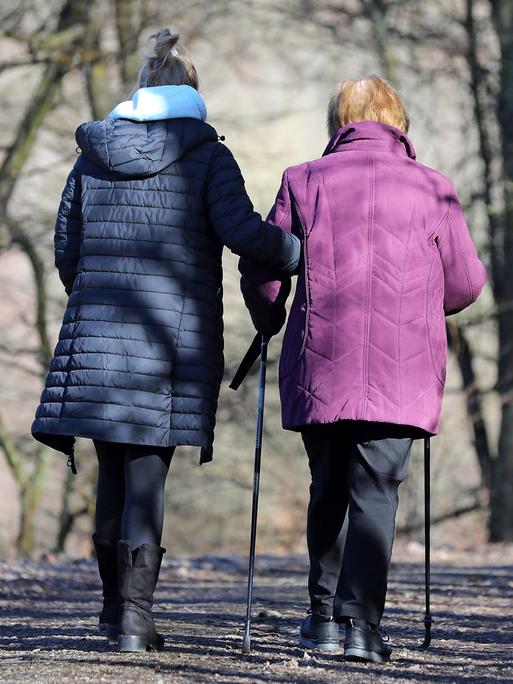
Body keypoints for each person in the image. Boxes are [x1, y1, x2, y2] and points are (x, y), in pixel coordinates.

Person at [31, 29, 300, 653]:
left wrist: (96, 300)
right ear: (192, 94)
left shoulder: (90, 154)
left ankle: (111, 611)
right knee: (147, 476)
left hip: (96, 339)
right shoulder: (208, 155)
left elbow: (66, 251)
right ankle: (133, 618)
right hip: (168, 344)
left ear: (141, 91)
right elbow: (242, 233)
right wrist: (297, 252)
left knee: (112, 474)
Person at [240, 76, 487, 663]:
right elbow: (465, 283)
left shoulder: (302, 180)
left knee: (327, 489)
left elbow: (265, 265)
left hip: (321, 361)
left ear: (339, 123)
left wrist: (270, 315)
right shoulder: (435, 189)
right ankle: (363, 628)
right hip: (403, 370)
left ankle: (323, 617)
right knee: (376, 492)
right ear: (399, 123)